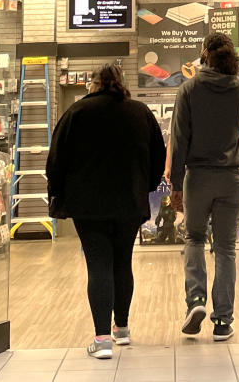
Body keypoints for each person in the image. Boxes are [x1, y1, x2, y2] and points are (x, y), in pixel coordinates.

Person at [46, 63, 166, 360]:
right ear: (122, 83)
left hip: (88, 205)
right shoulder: (141, 113)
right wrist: (146, 187)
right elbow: (158, 155)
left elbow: (55, 161)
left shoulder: (76, 114)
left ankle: (101, 341)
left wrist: (59, 194)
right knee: (122, 261)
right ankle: (122, 330)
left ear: (94, 84)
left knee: (98, 265)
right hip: (129, 201)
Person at [169, 32, 239, 341]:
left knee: (193, 239)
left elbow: (179, 141)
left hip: (198, 177)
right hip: (231, 178)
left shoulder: (189, 89)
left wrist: (176, 185)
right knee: (225, 248)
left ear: (204, 54)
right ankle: (223, 321)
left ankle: (195, 301)